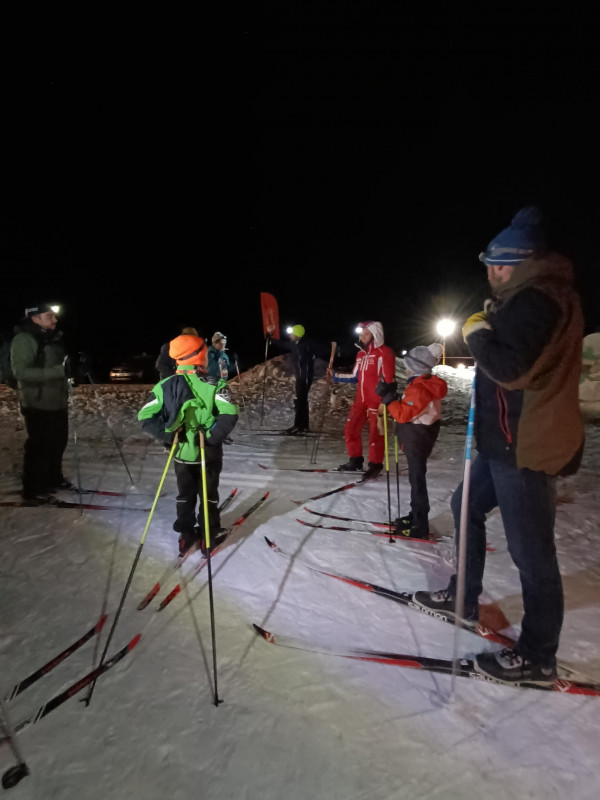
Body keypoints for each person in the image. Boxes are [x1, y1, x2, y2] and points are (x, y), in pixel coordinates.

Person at [412, 205, 585, 685]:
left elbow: (510, 368)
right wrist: (491, 322)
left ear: (523, 263)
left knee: (532, 553)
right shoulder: (527, 297)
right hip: (505, 440)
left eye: (498, 267)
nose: (490, 275)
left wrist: (479, 334)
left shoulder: (540, 300)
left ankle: (537, 655)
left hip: (528, 444)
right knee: (464, 504)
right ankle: (463, 596)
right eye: (489, 266)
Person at [138, 333, 239, 556]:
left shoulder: (163, 385)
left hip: (181, 451)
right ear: (199, 356)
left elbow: (145, 416)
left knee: (185, 493)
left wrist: (169, 434)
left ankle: (186, 535)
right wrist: (213, 436)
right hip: (208, 451)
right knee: (208, 492)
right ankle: (209, 536)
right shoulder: (215, 383)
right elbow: (229, 413)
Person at [376, 342, 447, 538]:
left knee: (417, 480)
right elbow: (411, 408)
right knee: (415, 479)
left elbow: (403, 415)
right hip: (419, 437)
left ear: (415, 367)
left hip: (418, 438)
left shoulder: (420, 388)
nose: (405, 368)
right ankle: (416, 515)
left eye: (407, 365)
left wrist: (389, 399)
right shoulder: (420, 383)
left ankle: (420, 524)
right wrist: (394, 396)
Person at [10, 303, 72, 502]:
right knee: (39, 447)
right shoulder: (24, 339)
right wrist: (59, 372)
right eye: (49, 316)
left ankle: (53, 479)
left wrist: (74, 367)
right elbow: (21, 372)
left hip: (57, 400)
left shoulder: (53, 337)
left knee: (57, 443)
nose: (55, 320)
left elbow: (57, 365)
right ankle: (33, 489)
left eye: (54, 316)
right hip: (37, 402)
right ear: (35, 318)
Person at [331, 321, 396, 481]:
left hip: (377, 401)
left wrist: (387, 398)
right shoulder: (360, 354)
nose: (362, 337)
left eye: (366, 334)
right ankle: (355, 460)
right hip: (360, 400)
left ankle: (375, 464)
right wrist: (334, 375)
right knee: (350, 429)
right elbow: (354, 376)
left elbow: (389, 379)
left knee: (376, 434)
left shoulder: (384, 353)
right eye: (361, 334)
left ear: (375, 335)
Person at [266, 323, 329, 435]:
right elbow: (283, 344)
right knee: (301, 401)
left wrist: (335, 350)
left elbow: (322, 349)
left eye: (292, 334)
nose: (290, 336)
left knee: (301, 401)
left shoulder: (307, 344)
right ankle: (303, 425)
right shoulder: (294, 344)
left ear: (298, 334)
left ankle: (299, 425)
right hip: (300, 376)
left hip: (305, 376)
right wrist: (270, 339)